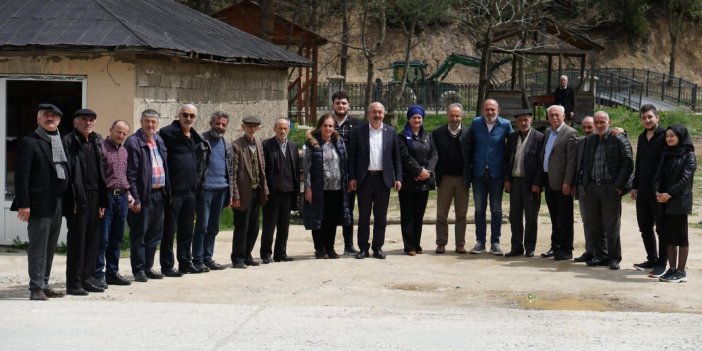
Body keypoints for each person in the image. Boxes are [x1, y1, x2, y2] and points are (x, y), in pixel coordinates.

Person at [11, 103, 69, 300]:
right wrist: (23, 204)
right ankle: (36, 288)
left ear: (59, 120)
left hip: (57, 201)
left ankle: (44, 283)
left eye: (54, 116)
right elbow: (22, 177)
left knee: (50, 246)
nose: (50, 118)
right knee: (38, 247)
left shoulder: (60, 140)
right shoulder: (29, 142)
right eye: (46, 115)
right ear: (38, 119)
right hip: (38, 203)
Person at [159, 104, 210, 276]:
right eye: (185, 115)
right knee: (170, 229)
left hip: (191, 190)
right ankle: (167, 265)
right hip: (174, 190)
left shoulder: (196, 136)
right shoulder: (167, 133)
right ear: (178, 115)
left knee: (187, 229)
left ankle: (185, 263)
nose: (188, 118)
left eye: (191, 116)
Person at [62, 108, 108, 295]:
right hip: (78, 197)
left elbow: (102, 172)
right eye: (83, 120)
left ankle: (88, 279)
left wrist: (103, 202)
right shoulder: (69, 141)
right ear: (75, 122)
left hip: (96, 196)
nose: (88, 123)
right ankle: (74, 283)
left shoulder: (97, 140)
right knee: (77, 241)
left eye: (91, 120)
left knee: (92, 241)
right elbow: (67, 173)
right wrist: (71, 199)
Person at [580, 111, 634, 270]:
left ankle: (614, 258)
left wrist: (619, 186)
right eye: (596, 122)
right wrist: (586, 185)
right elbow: (585, 162)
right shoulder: (591, 140)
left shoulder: (618, 138)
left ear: (609, 122)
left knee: (611, 226)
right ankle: (600, 255)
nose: (598, 125)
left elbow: (628, 163)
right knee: (595, 225)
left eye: (602, 122)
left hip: (611, 188)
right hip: (593, 188)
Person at [348, 102, 402, 260]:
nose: (377, 115)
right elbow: (352, 158)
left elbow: (396, 159)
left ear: (384, 114)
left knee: (380, 216)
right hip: (364, 180)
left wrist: (398, 178)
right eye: (374, 112)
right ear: (369, 113)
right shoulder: (359, 131)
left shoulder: (391, 132)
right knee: (363, 216)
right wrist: (352, 177)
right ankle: (363, 248)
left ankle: (377, 247)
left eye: (380, 112)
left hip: (383, 180)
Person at [125, 109, 169, 282]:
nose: (150, 125)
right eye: (147, 121)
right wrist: (135, 197)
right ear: (141, 121)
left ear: (157, 124)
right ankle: (139, 270)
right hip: (143, 195)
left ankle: (148, 267)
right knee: (139, 234)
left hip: (159, 194)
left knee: (155, 234)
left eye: (153, 122)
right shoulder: (133, 142)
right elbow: (131, 173)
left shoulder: (159, 140)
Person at [303, 113, 352, 258]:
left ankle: (330, 248)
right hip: (319, 188)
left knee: (331, 220)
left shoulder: (339, 142)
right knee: (319, 218)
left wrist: (347, 181)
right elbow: (306, 168)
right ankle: (319, 249)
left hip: (336, 188)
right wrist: (308, 187)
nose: (328, 128)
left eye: (331, 126)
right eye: (325, 126)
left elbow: (344, 164)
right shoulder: (312, 144)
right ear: (320, 127)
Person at [468, 99, 513, 255]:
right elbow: (469, 145)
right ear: (482, 110)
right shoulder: (476, 123)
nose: (490, 112)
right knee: (479, 209)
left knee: (496, 209)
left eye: (493, 109)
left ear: (498, 110)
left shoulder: (506, 125)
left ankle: (495, 242)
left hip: (496, 174)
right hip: (478, 173)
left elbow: (512, 147)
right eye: (487, 109)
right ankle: (480, 242)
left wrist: (508, 174)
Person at [655, 125, 696, 283]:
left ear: (680, 136)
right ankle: (671, 269)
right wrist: (658, 191)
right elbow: (658, 174)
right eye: (667, 136)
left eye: (672, 136)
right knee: (667, 237)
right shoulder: (665, 153)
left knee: (681, 238)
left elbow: (685, 180)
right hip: (663, 201)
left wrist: (669, 194)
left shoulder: (688, 155)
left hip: (678, 202)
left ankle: (681, 271)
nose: (669, 139)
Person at [192, 111, 232, 271]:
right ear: (211, 123)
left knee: (214, 227)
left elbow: (231, 170)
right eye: (218, 124)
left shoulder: (227, 145)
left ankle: (208, 258)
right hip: (205, 190)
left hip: (221, 190)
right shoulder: (200, 141)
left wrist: (231, 192)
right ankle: (197, 259)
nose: (220, 127)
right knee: (202, 225)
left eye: (223, 125)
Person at [95, 120, 133, 287]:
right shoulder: (100, 148)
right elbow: (97, 177)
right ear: (110, 130)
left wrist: (129, 194)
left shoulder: (124, 151)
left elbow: (124, 176)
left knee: (116, 239)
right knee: (102, 239)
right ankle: (98, 274)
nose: (121, 136)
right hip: (107, 198)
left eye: (124, 133)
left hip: (122, 198)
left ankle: (112, 272)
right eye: (118, 132)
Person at [631, 104, 668, 277]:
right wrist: (635, 185)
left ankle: (662, 263)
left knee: (661, 228)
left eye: (649, 117)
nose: (647, 120)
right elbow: (639, 163)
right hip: (643, 190)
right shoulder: (641, 137)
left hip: (658, 191)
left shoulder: (665, 136)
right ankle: (652, 258)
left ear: (657, 117)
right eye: (644, 118)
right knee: (644, 227)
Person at [502, 109, 544, 257]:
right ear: (516, 122)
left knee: (531, 216)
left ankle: (530, 247)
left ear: (531, 120)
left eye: (526, 120)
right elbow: (506, 160)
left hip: (531, 183)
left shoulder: (539, 137)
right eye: (520, 120)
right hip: (515, 182)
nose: (523, 123)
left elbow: (541, 163)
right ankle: (516, 246)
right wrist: (506, 179)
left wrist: (537, 183)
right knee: (515, 216)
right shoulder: (512, 137)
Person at [539, 104, 577, 261]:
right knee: (554, 216)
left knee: (565, 217)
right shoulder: (548, 132)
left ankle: (566, 249)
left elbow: (571, 161)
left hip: (563, 183)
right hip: (549, 180)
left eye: (557, 115)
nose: (554, 117)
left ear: (563, 116)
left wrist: (568, 182)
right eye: (551, 115)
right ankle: (555, 247)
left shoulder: (570, 133)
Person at [432, 103, 471, 254]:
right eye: (452, 115)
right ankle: (441, 243)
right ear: (447, 115)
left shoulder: (468, 133)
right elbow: (434, 154)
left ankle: (460, 244)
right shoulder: (438, 133)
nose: (455, 118)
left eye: (457, 115)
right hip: (445, 179)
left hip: (462, 179)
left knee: (461, 213)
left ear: (462, 116)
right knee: (442, 213)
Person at [398, 105, 437, 256]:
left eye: (419, 117)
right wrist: (419, 171)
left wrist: (428, 172)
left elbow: (435, 154)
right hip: (409, 181)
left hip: (424, 182)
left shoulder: (428, 136)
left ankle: (417, 243)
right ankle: (409, 246)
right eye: (414, 117)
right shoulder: (401, 137)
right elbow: (405, 157)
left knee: (419, 214)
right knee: (408, 214)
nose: (417, 120)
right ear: (409, 119)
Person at [231, 116, 269, 269]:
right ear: (243, 127)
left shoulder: (259, 144)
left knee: (254, 227)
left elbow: (262, 169)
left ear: (259, 128)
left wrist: (265, 189)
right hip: (242, 192)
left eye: (255, 126)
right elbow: (233, 172)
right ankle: (238, 258)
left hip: (256, 191)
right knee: (242, 226)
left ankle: (247, 255)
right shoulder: (236, 145)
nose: (252, 129)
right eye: (249, 126)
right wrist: (235, 194)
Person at [261, 117, 299, 263]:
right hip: (273, 192)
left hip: (288, 192)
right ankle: (266, 254)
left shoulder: (293, 146)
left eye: (285, 128)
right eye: (280, 128)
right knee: (269, 225)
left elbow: (295, 168)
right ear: (274, 129)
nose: (283, 131)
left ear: (289, 129)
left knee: (284, 226)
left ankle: (280, 253)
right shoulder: (266, 145)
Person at [331, 91, 363, 255]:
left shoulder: (357, 125)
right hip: (329, 176)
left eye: (343, 103)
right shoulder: (327, 123)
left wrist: (353, 176)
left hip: (349, 176)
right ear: (333, 105)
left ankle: (349, 245)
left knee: (348, 211)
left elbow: (359, 153)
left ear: (348, 105)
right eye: (338, 103)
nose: (341, 106)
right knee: (329, 210)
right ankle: (327, 246)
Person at [573, 116, 595, 263]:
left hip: (597, 188)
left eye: (590, 127)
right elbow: (576, 165)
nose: (587, 130)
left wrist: (622, 131)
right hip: (581, 187)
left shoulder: (603, 140)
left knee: (599, 221)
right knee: (586, 221)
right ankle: (589, 251)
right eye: (584, 127)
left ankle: (601, 252)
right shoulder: (580, 142)